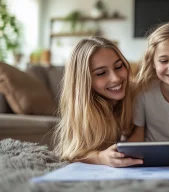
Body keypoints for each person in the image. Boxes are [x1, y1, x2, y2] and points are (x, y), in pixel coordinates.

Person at [54, 36, 143, 167]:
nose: (116, 78)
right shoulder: (83, 108)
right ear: (84, 82)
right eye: (101, 73)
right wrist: (100, 157)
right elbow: (71, 153)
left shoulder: (138, 93)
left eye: (118, 66)